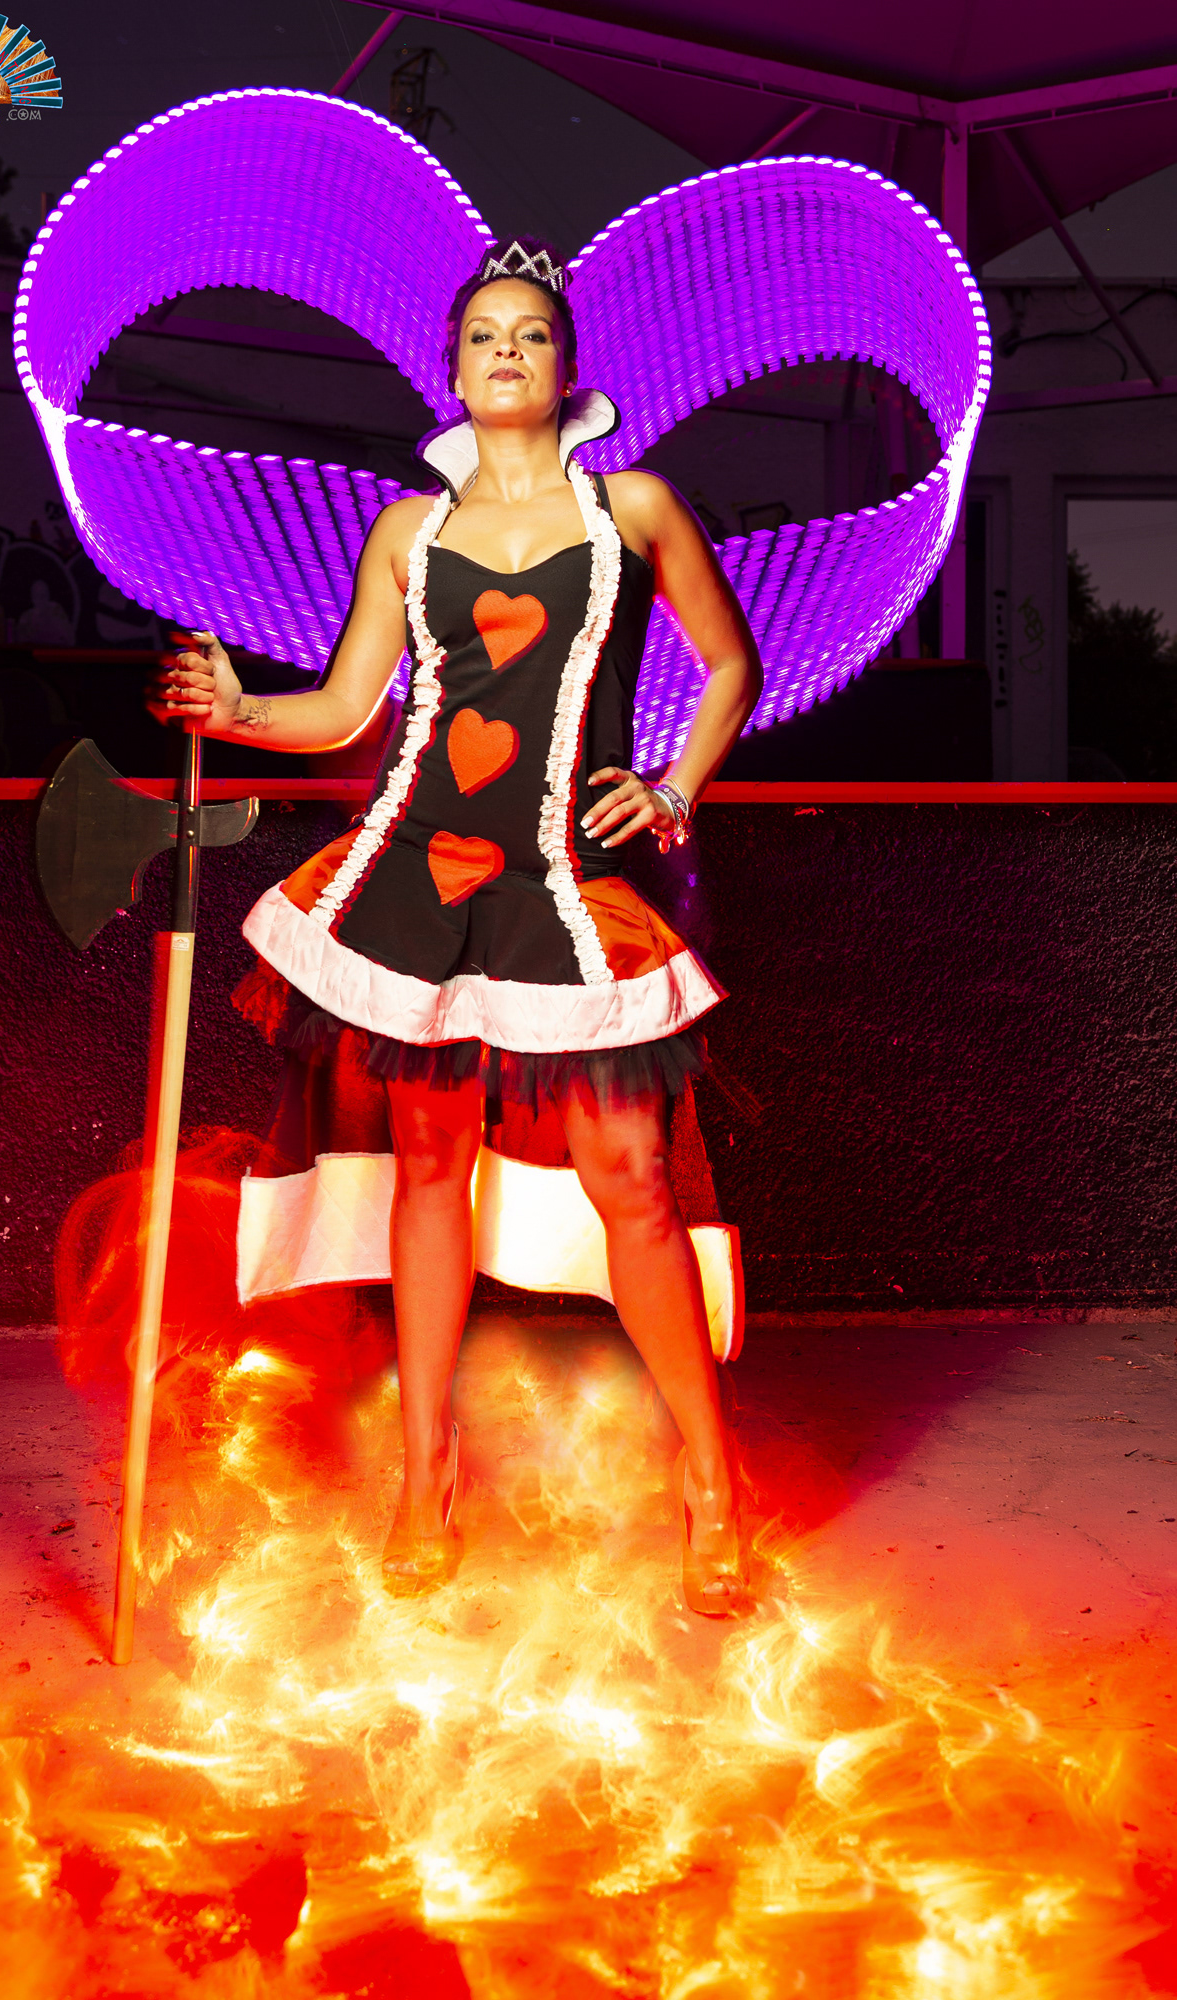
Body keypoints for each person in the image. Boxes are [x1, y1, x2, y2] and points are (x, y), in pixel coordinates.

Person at [149, 238, 764, 1615]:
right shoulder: (406, 535)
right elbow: (342, 710)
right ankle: (424, 1474)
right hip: (418, 875)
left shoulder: (636, 509)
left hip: (567, 878)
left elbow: (733, 664)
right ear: (453, 369)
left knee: (632, 1178)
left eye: (531, 333)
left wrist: (673, 787)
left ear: (567, 366)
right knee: (428, 1168)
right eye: (484, 334)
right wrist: (237, 710)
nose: (506, 351)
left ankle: (713, 1483)